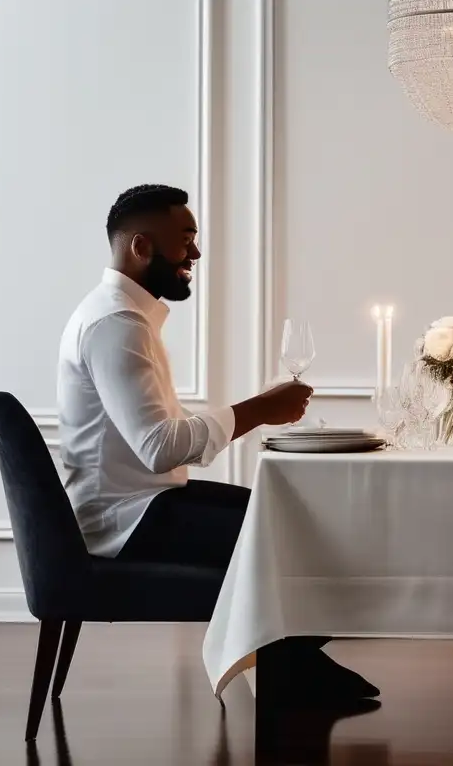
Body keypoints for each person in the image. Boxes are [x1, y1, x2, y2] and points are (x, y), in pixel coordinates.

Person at [57, 183, 378, 704]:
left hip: (141, 504)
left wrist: (256, 411)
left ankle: (291, 662)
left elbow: (155, 437)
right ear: (141, 247)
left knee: (284, 518)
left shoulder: (123, 316)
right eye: (186, 239)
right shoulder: (116, 325)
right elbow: (159, 447)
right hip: (127, 522)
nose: (196, 253)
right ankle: (291, 670)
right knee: (284, 534)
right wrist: (258, 411)